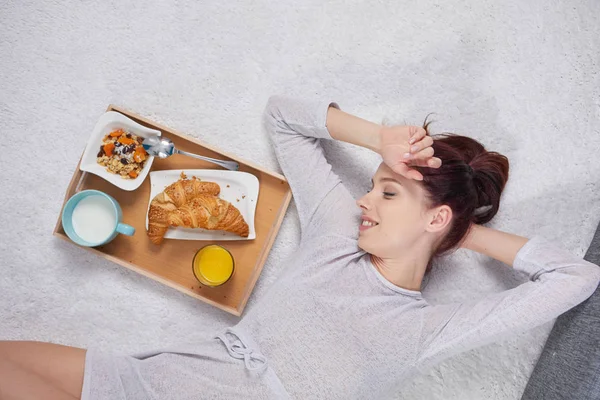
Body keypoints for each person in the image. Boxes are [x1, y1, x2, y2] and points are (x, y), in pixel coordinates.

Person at [1, 96, 599, 400]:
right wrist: (379, 140)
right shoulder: (340, 234)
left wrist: (461, 230)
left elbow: (575, 277)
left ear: (435, 217)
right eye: (372, 186)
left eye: (387, 193)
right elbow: (283, 116)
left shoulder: (428, 329)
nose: (365, 200)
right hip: (157, 378)